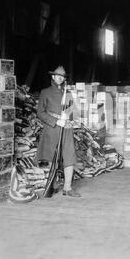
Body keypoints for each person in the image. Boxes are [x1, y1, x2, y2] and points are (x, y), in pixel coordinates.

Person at [36, 66, 80, 197]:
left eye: (63, 76)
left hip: (66, 128)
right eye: (58, 76)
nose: (60, 78)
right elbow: (40, 113)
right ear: (53, 77)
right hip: (52, 128)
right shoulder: (45, 92)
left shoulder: (68, 93)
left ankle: (67, 188)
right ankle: (52, 184)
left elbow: (73, 110)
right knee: (51, 156)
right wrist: (55, 121)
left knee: (69, 155)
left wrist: (70, 117)